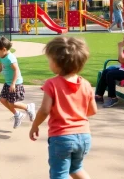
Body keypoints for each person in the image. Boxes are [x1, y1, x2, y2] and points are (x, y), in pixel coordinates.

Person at [29, 36, 97, 179]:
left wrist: (35, 125)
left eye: (50, 60)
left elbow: (45, 110)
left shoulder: (52, 84)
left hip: (62, 138)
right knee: (76, 169)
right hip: (84, 136)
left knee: (59, 174)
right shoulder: (86, 84)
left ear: (57, 63)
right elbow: (92, 111)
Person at [0, 37, 36, 129]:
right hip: (8, 83)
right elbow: (0, 68)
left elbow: (16, 70)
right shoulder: (2, 57)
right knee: (2, 100)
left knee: (12, 103)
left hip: (15, 84)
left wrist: (13, 83)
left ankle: (28, 107)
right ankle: (18, 114)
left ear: (4, 49)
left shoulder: (10, 58)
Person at [95, 28, 124, 108]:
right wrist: (122, 49)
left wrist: (120, 47)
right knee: (106, 71)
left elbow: (122, 60)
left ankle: (113, 98)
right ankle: (99, 96)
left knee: (111, 74)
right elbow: (120, 60)